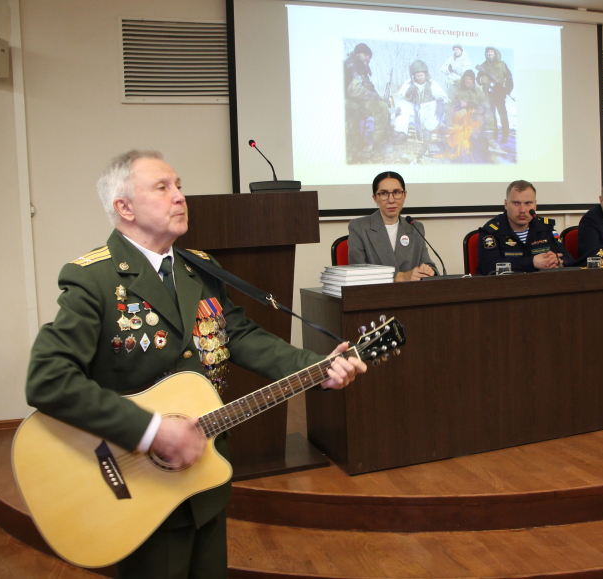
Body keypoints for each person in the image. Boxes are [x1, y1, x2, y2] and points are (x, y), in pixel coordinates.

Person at [25, 150, 366, 579]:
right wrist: (152, 430)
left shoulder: (199, 268)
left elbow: (238, 335)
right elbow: (47, 379)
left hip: (202, 476)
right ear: (124, 208)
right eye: (162, 188)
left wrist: (317, 366)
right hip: (132, 482)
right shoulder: (93, 279)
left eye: (180, 185)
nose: (180, 197)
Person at [348, 171, 438, 282]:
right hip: (376, 296)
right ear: (375, 198)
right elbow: (358, 272)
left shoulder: (415, 227)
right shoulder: (359, 227)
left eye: (396, 192)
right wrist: (400, 277)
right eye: (384, 194)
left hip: (411, 295)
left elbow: (428, 263)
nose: (391, 200)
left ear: (404, 195)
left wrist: (429, 270)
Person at [476, 180, 571, 275]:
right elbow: (489, 267)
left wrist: (557, 261)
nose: (522, 210)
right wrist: (532, 262)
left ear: (535, 205)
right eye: (516, 203)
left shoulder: (545, 228)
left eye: (528, 203)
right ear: (506, 204)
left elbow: (569, 260)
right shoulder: (491, 231)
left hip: (543, 285)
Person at [393, 60, 451, 152]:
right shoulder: (409, 83)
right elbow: (400, 95)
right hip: (413, 113)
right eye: (417, 76)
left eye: (421, 75)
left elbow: (442, 96)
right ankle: (402, 133)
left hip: (426, 113)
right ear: (414, 76)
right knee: (402, 104)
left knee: (437, 104)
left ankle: (427, 130)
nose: (419, 78)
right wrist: (407, 93)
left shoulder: (432, 83)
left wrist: (440, 101)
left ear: (425, 74)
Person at [344, 43, 390, 155]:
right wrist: (374, 96)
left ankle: (379, 144)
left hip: (359, 102)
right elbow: (354, 90)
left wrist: (380, 99)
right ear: (357, 54)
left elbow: (370, 89)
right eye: (365, 54)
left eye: (369, 56)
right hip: (345, 100)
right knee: (351, 108)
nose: (368, 58)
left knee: (382, 107)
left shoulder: (362, 69)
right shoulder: (350, 66)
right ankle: (351, 145)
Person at [477, 47, 513, 145]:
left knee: (503, 115)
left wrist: (507, 89)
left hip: (500, 94)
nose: (489, 54)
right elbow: (478, 79)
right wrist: (481, 80)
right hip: (489, 95)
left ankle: (505, 136)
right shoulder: (483, 65)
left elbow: (509, 77)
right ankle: (495, 135)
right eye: (488, 52)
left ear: (495, 53)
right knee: (491, 116)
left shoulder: (501, 65)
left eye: (491, 52)